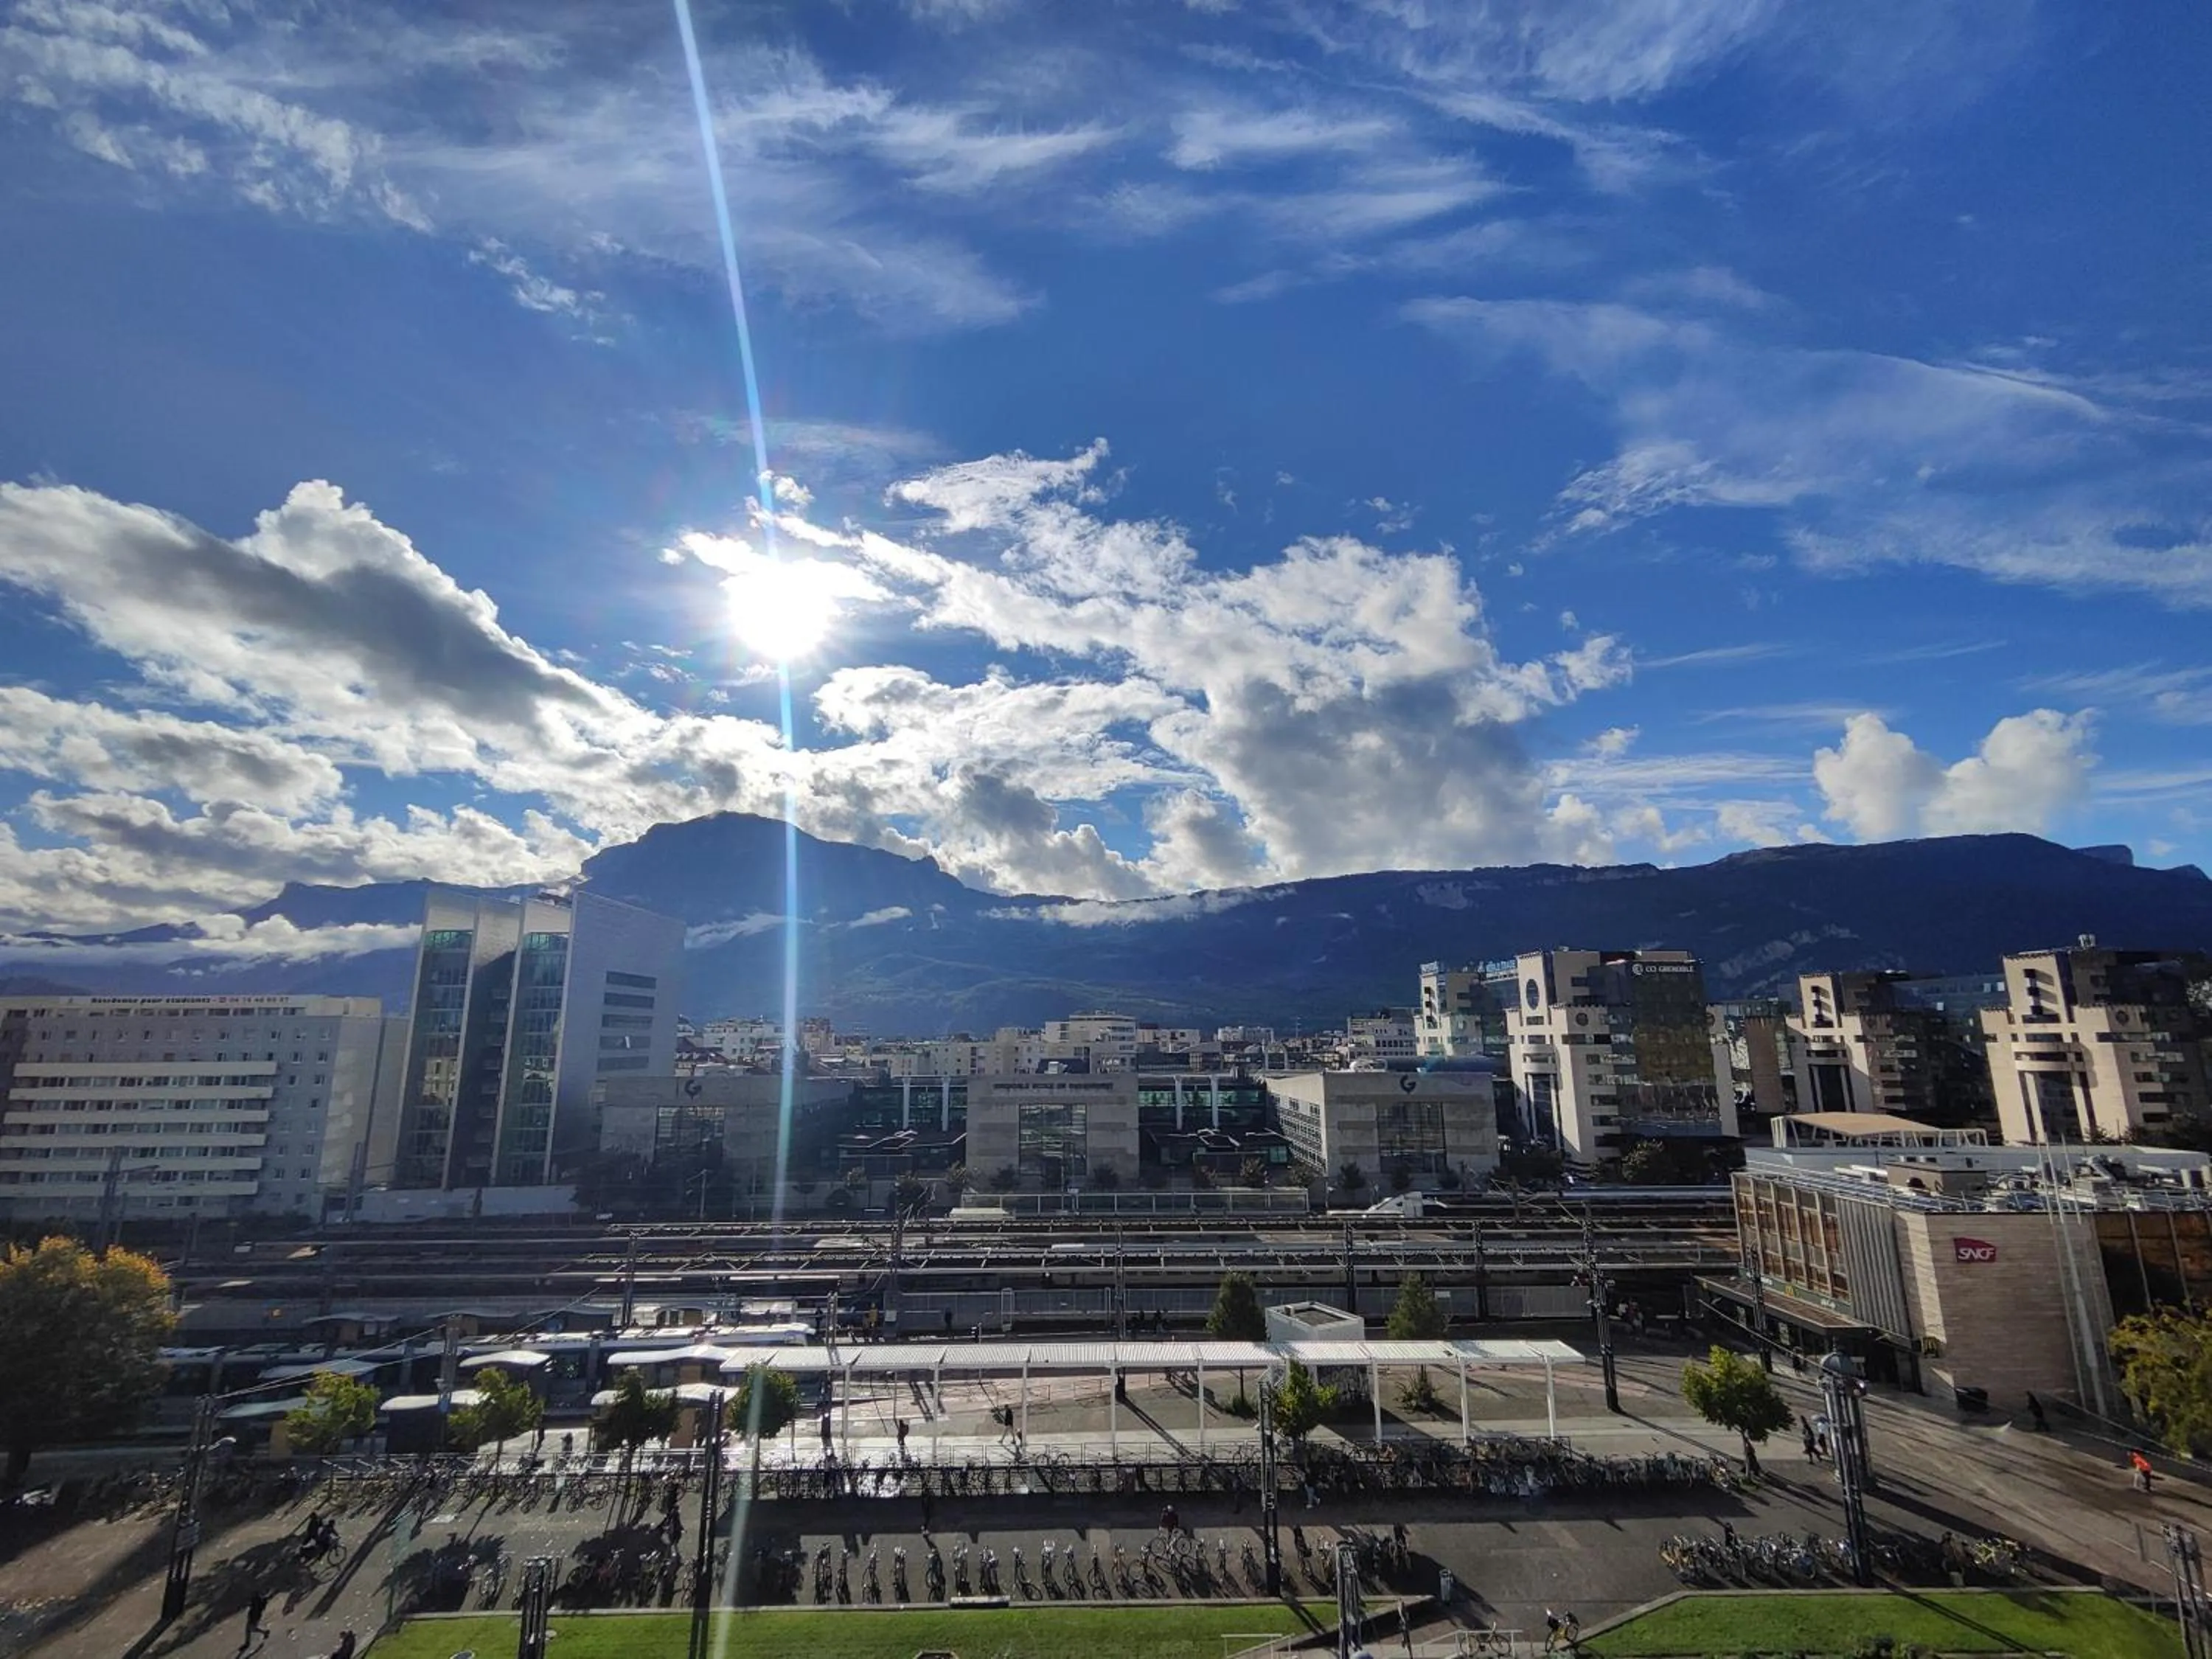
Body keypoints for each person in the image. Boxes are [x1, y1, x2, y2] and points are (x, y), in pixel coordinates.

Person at [238, 1587, 271, 1652]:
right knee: (249, 1629)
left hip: (254, 1616)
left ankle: (264, 1633)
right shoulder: (260, 1600)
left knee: (252, 1629)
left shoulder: (257, 1601)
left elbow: (254, 1607)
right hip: (254, 1616)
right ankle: (248, 1643)